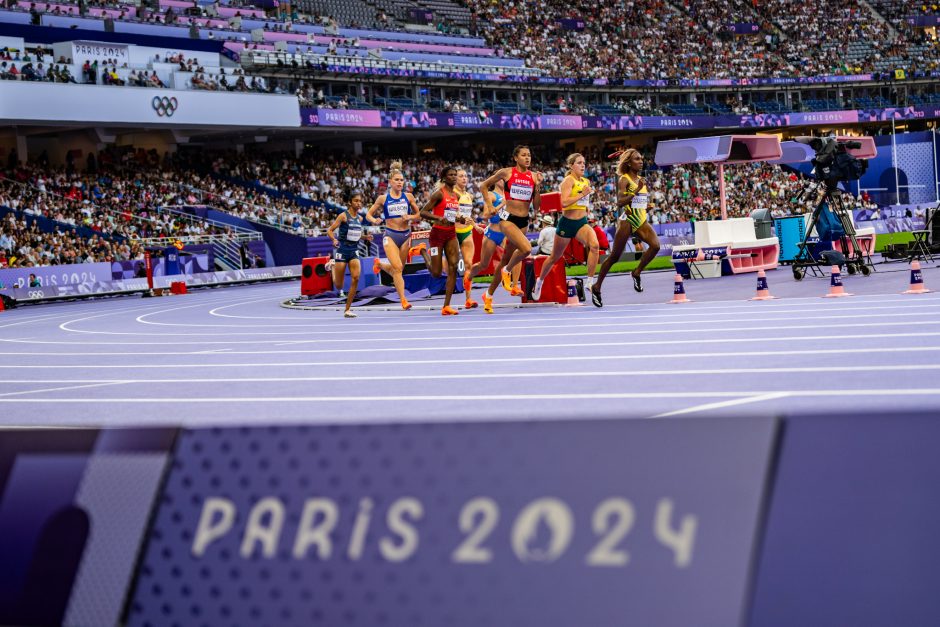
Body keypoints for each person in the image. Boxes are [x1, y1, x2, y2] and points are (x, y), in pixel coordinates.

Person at [591, 148, 661, 307]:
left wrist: (646, 206)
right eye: (637, 159)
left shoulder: (641, 179)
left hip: (641, 219)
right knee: (615, 257)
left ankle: (636, 272)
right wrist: (636, 190)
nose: (641, 161)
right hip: (628, 220)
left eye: (641, 158)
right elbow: (620, 202)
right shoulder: (624, 179)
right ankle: (597, 287)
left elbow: (638, 202)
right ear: (629, 163)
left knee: (656, 246)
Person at [478, 145, 540, 314]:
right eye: (523, 155)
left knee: (506, 259)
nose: (527, 158)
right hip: (508, 219)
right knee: (526, 249)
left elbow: (537, 206)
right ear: (515, 158)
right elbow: (483, 186)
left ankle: (488, 295)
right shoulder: (506, 173)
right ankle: (507, 272)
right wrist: (490, 205)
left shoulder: (534, 176)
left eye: (529, 155)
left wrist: (539, 187)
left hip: (523, 221)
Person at [532, 153, 600, 303]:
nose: (583, 165)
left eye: (584, 162)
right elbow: (563, 202)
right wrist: (582, 194)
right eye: (579, 163)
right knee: (554, 257)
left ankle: (589, 281)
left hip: (581, 222)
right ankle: (539, 282)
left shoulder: (586, 181)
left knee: (595, 246)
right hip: (567, 224)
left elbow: (584, 202)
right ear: (571, 166)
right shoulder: (568, 181)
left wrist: (586, 207)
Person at [366, 160, 419, 311]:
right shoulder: (383, 199)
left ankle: (380, 264)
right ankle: (403, 300)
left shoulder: (408, 196)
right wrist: (374, 220)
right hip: (390, 235)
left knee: (398, 269)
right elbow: (369, 215)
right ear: (390, 182)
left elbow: (418, 213)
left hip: (405, 235)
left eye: (402, 180)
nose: (400, 182)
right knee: (397, 267)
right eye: (396, 180)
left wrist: (410, 217)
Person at [418, 166, 462, 316]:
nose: (454, 177)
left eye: (455, 174)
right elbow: (422, 212)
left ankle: (446, 306)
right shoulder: (439, 194)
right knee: (436, 273)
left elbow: (453, 215)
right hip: (437, 234)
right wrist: (438, 218)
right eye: (451, 175)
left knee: (453, 266)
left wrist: (461, 218)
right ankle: (423, 251)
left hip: (451, 233)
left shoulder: (456, 196)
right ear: (444, 178)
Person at [327, 191, 365, 318]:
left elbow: (356, 234)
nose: (359, 203)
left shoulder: (360, 218)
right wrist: (334, 239)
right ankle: (333, 265)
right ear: (350, 202)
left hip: (354, 251)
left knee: (356, 278)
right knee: (339, 285)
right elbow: (330, 230)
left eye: (360, 201)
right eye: (356, 201)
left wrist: (365, 237)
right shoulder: (343, 216)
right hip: (342, 251)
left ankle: (347, 309)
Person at [454, 168, 479, 309]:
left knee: (469, 264)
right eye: (461, 176)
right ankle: (420, 252)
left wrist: (475, 226)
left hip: (466, 232)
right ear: (455, 179)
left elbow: (468, 216)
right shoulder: (453, 194)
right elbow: (450, 215)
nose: (464, 178)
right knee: (448, 268)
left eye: (465, 176)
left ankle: (468, 299)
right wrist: (464, 220)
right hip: (453, 232)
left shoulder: (469, 195)